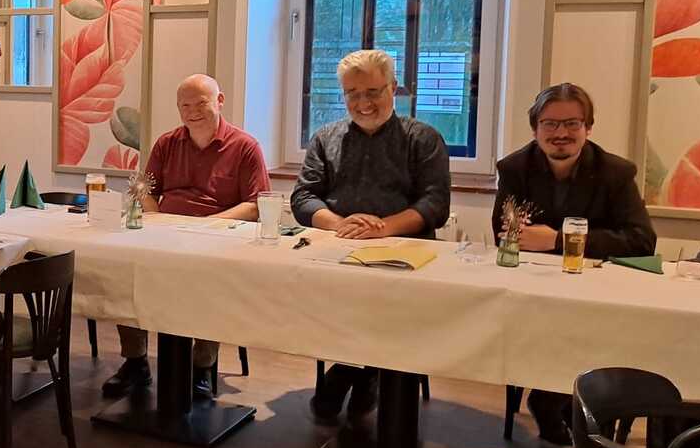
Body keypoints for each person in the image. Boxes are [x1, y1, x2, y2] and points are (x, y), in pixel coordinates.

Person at [291, 49, 451, 424]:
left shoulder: (423, 138)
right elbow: (303, 197)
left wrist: (382, 227)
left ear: (394, 88)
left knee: (388, 311)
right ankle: (365, 373)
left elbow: (435, 204)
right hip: (337, 252)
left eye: (373, 92)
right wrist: (339, 224)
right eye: (353, 94)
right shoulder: (325, 138)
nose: (363, 103)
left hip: (406, 257)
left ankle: (351, 373)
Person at [493, 82, 656, 448]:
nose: (561, 133)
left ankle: (567, 400)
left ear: (588, 127)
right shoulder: (514, 168)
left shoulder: (616, 172)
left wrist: (557, 239)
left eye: (572, 123)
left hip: (599, 288)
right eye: (550, 124)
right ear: (535, 129)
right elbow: (505, 234)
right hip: (536, 288)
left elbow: (642, 240)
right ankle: (549, 395)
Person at [102, 74, 271, 401]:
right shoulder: (167, 143)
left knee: (209, 285)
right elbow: (145, 190)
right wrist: (158, 220)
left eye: (201, 104)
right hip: (165, 233)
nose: (192, 112)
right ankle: (135, 361)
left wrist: (207, 226)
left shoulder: (245, 146)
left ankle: (201, 367)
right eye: (185, 106)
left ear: (219, 101)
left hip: (217, 238)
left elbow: (256, 205)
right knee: (126, 272)